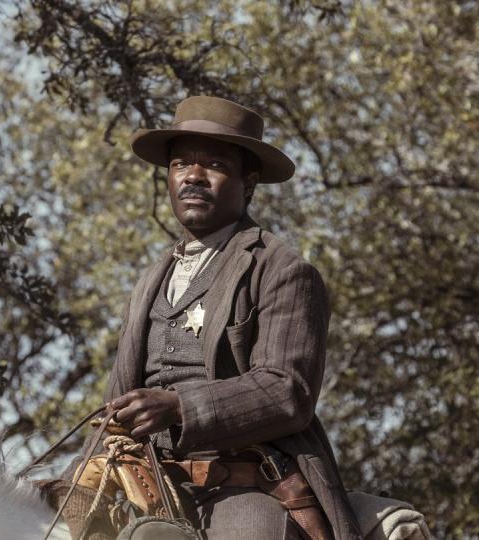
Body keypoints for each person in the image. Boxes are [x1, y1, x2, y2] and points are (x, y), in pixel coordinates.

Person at [103, 96, 362, 539]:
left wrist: (180, 407)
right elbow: (115, 405)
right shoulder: (149, 281)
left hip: (244, 487)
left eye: (215, 165)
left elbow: (288, 390)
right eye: (181, 164)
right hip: (146, 483)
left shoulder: (282, 270)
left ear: (249, 183)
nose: (193, 177)